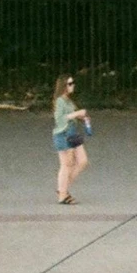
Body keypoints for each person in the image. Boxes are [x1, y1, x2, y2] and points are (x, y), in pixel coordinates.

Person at [52, 72, 90, 204]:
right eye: (69, 84)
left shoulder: (68, 100)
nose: (72, 86)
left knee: (83, 161)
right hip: (63, 134)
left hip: (73, 132)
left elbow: (71, 115)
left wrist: (81, 117)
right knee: (66, 164)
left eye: (72, 83)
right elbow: (60, 119)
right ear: (63, 86)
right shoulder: (59, 101)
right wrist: (77, 114)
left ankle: (62, 188)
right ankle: (62, 194)